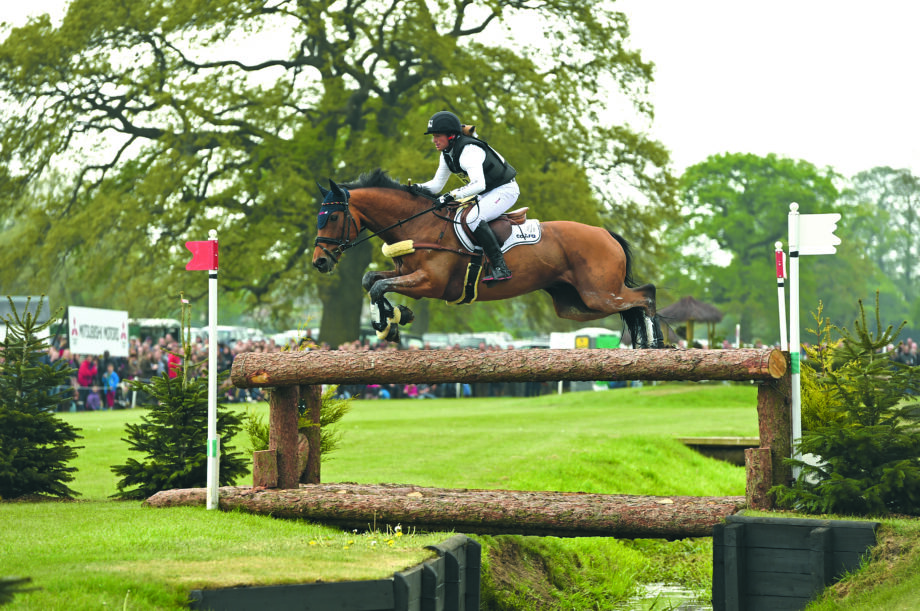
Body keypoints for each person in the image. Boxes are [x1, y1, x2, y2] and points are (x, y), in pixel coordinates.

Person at [414, 110, 519, 283]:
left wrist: (451, 195)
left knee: (472, 219)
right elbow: (436, 185)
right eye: (433, 136)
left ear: (450, 136)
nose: (434, 140)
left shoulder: (468, 151)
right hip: (487, 193)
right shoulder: (447, 154)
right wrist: (414, 188)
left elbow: (479, 184)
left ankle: (501, 267)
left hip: (505, 190)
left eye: (437, 136)